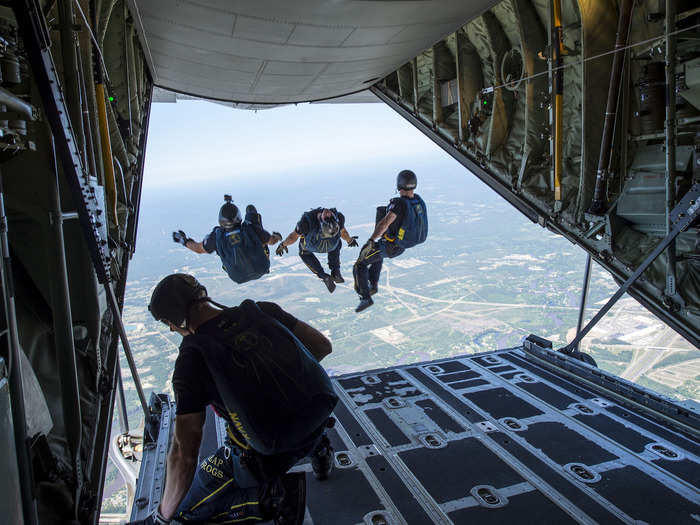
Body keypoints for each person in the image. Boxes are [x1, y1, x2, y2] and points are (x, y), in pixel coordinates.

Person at [131, 274, 338, 525]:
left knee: (185, 510)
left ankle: (275, 499)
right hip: (316, 419)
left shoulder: (193, 359)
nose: (173, 330)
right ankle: (321, 449)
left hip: (264, 456)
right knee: (299, 420)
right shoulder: (262, 311)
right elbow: (321, 346)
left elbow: (184, 454)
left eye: (169, 325)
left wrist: (163, 516)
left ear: (173, 319)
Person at [353, 170, 428, 313]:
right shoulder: (417, 201)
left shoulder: (399, 204)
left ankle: (365, 297)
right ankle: (373, 285)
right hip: (400, 246)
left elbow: (384, 224)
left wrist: (370, 240)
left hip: (390, 246)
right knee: (376, 254)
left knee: (360, 264)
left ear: (399, 185)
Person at [172, 195, 282, 284]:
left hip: (237, 276)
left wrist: (184, 241)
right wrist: (276, 237)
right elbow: (271, 241)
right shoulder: (251, 227)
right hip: (262, 267)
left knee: (221, 247)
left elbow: (198, 249)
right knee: (251, 213)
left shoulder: (216, 236)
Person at [275, 207, 358, 293]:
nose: (329, 213)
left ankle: (324, 276)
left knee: (304, 253)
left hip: (313, 245)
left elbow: (293, 237)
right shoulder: (339, 218)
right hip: (332, 245)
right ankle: (336, 271)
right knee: (337, 241)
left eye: (328, 217)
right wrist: (350, 240)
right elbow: (343, 233)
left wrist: (283, 244)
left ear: (322, 222)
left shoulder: (306, 222)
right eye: (331, 217)